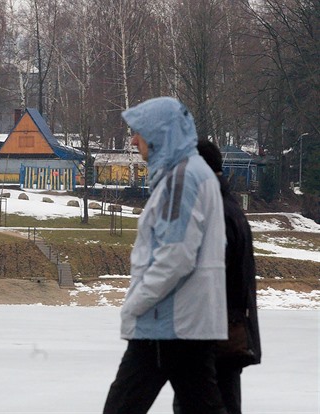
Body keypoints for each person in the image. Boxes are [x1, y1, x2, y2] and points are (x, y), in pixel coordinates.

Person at [102, 97, 228, 414]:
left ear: (159, 134)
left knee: (121, 407)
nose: (133, 140)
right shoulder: (194, 174)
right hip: (185, 322)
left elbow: (176, 255)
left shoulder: (182, 179)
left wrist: (137, 302)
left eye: (138, 132)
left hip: (168, 323)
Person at [172, 140, 262, 414]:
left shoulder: (217, 214)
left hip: (213, 340)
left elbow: (208, 280)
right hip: (227, 334)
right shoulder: (228, 208)